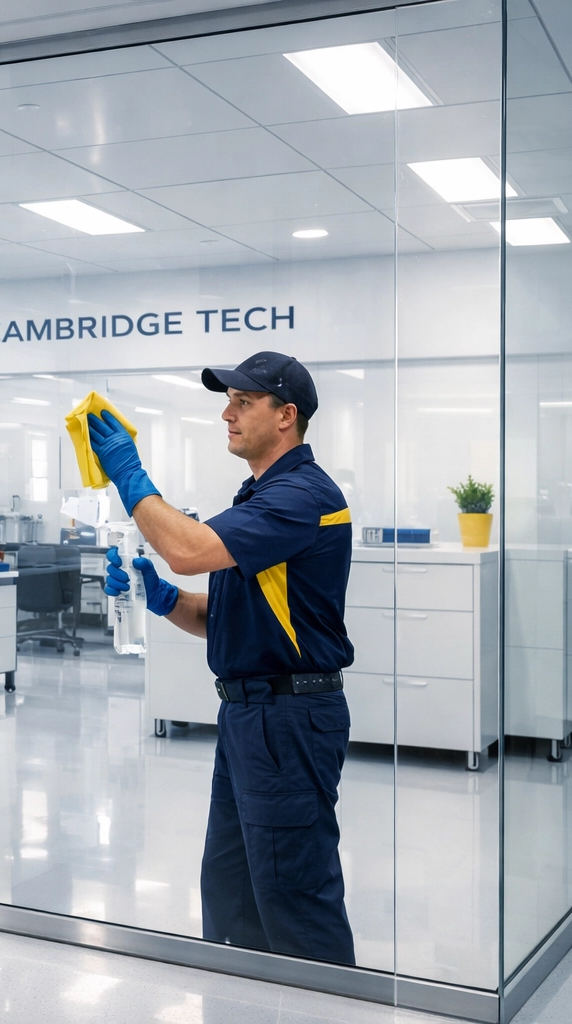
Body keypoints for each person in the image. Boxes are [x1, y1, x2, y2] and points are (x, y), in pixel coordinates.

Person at [88, 351, 356, 965]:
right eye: (227, 401)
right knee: (233, 897)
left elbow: (186, 548)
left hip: (288, 721)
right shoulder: (258, 496)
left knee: (293, 900)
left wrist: (130, 474)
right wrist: (161, 599)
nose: (226, 414)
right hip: (249, 719)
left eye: (243, 402)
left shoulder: (301, 496)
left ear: (286, 416)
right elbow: (224, 619)